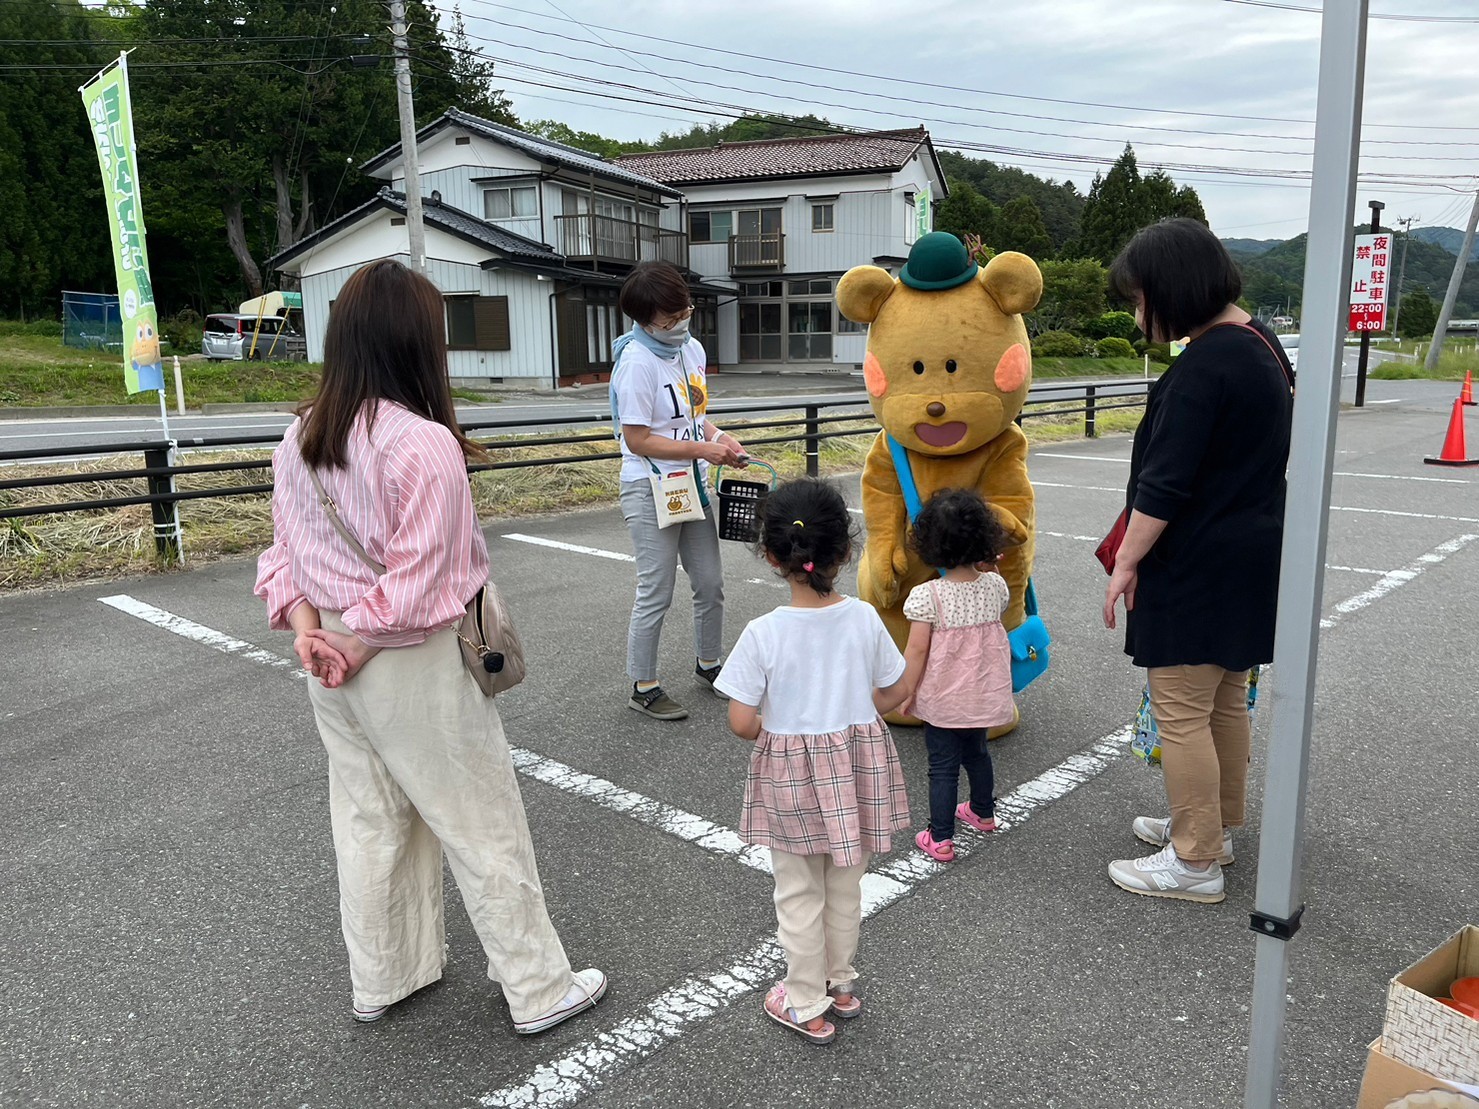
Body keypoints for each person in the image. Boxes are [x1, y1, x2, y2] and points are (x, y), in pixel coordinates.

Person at [253, 259, 606, 1030]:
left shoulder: (299, 432)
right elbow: (424, 580)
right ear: (420, 341)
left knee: (369, 819)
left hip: (332, 662)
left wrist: (314, 635)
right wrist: (355, 644)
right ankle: (539, 987)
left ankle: (385, 975)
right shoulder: (421, 443)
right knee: (479, 819)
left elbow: (284, 551)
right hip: (404, 658)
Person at [1101, 218, 1293, 905]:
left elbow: (1164, 485)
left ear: (1171, 289)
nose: (1135, 310)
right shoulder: (1260, 343)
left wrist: (1125, 562)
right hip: (1248, 556)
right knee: (1222, 699)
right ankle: (1214, 829)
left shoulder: (1205, 364)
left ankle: (1192, 860)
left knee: (1179, 706)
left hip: (1196, 562)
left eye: (1138, 296)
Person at [714, 479, 912, 1043]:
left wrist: (778, 725)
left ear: (772, 557)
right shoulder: (864, 619)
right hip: (856, 768)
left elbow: (742, 722)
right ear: (845, 552)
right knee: (846, 888)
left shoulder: (762, 634)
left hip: (792, 780)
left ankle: (804, 1001)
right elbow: (894, 693)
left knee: (799, 893)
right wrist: (853, 711)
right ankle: (840, 984)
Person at [610, 261, 746, 722]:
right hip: (649, 485)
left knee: (710, 582)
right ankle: (643, 684)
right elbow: (637, 438)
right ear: (646, 320)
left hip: (690, 481)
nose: (679, 322)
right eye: (668, 318)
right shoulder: (636, 363)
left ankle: (709, 664)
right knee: (657, 588)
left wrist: (721, 438)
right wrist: (703, 450)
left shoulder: (692, 350)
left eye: (683, 310)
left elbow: (694, 414)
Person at [900, 489, 1015, 863]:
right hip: (982, 694)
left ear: (930, 545)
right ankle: (983, 813)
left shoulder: (927, 595)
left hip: (945, 700)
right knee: (978, 754)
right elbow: (999, 600)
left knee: (943, 767)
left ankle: (941, 837)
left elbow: (916, 652)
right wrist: (989, 565)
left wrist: (904, 692)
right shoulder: (995, 586)